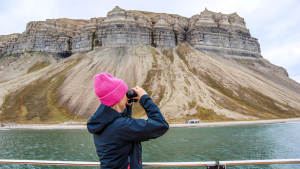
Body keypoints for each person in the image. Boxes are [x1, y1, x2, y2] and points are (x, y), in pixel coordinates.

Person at [87, 73, 169, 169]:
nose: (126, 96)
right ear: (118, 97)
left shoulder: (101, 124)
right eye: (124, 93)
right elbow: (160, 125)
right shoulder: (121, 127)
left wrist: (127, 107)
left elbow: (124, 135)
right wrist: (145, 99)